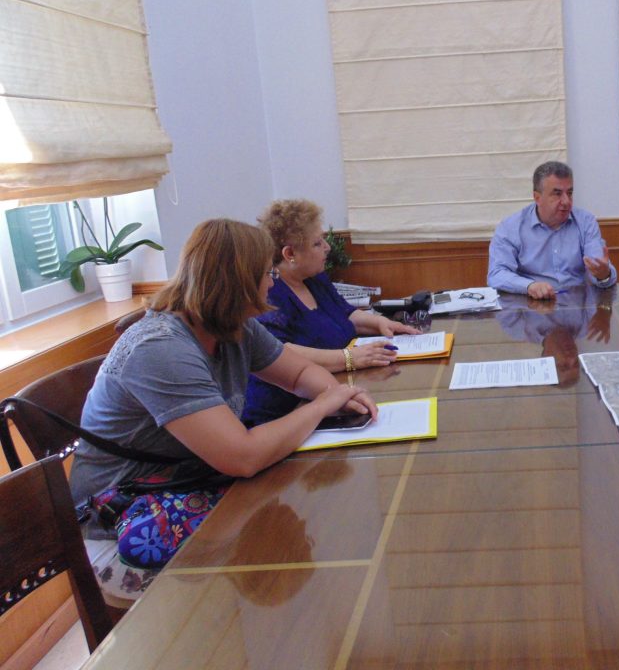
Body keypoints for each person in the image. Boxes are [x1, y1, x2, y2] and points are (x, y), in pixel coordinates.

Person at [69, 218, 378, 600]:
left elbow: (298, 373)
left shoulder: (233, 327)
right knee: (282, 545)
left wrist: (336, 394)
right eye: (266, 274)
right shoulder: (160, 349)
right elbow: (242, 457)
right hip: (122, 525)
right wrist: (322, 406)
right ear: (237, 283)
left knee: (305, 519)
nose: (272, 283)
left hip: (188, 488)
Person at [243, 199, 419, 426]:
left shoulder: (314, 277)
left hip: (328, 393)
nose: (327, 247)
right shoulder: (269, 292)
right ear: (290, 253)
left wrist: (379, 322)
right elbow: (279, 353)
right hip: (283, 412)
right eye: (317, 243)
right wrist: (349, 358)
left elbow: (344, 313)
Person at [487, 161, 616, 299]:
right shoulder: (511, 227)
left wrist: (603, 275)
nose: (566, 201)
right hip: (531, 304)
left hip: (577, 303)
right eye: (557, 194)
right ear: (537, 198)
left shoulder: (586, 222)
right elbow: (497, 274)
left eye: (569, 193)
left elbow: (598, 266)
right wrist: (529, 286)